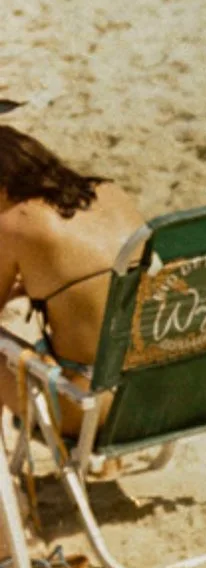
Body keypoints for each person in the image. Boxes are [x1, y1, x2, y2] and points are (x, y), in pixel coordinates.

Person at [0, 127, 145, 428]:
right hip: (160, 392)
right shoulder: (109, 192)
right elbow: (103, 275)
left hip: (90, 410)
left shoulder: (15, 224)